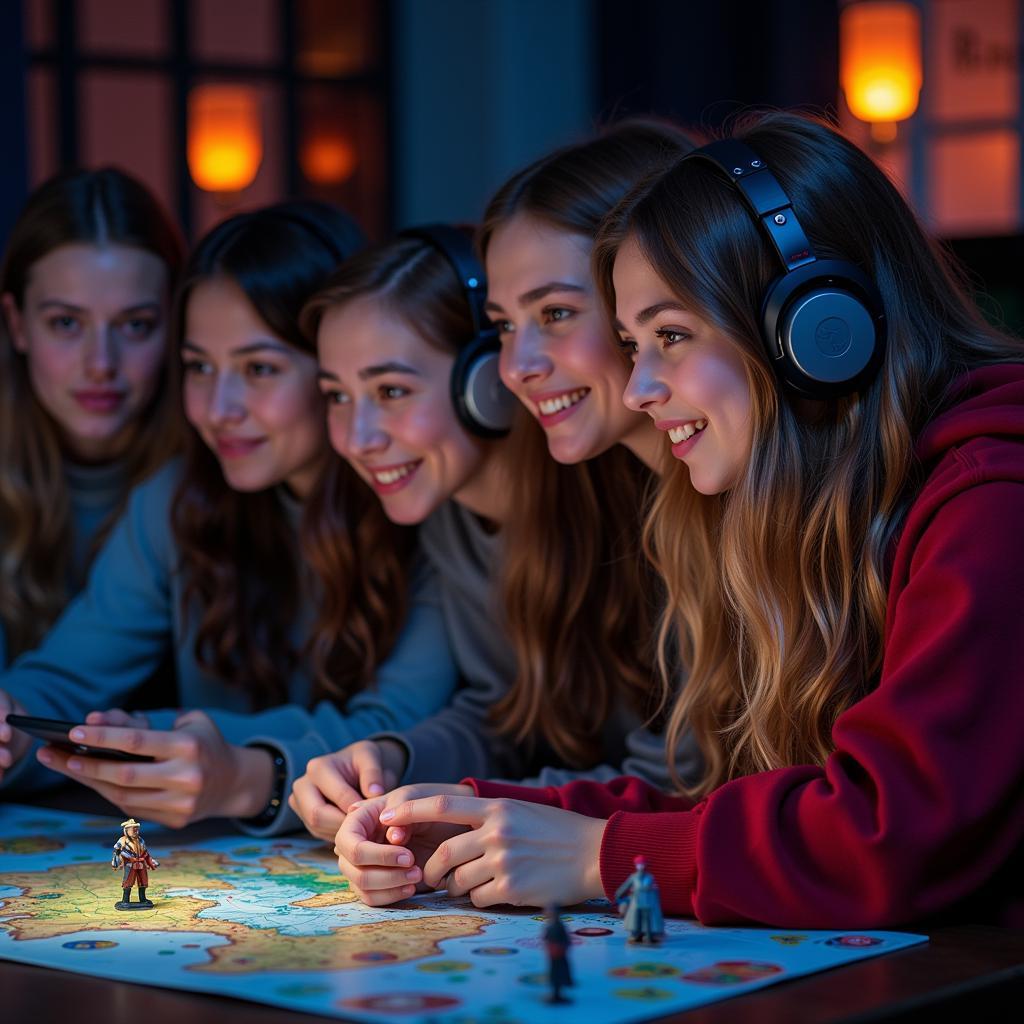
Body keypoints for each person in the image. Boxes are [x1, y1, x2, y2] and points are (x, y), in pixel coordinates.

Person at [330, 112, 1024, 928]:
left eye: (670, 336)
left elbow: (890, 832)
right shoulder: (799, 503)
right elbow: (731, 792)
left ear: (815, 332)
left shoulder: (990, 497)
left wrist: (600, 854)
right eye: (631, 341)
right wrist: (470, 812)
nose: (637, 388)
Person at [291, 122, 701, 849]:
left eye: (556, 314)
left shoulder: (674, 495)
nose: (520, 366)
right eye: (507, 326)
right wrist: (402, 765)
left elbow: (678, 781)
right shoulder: (485, 508)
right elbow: (506, 713)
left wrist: (463, 808)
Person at [0, 202, 456, 835]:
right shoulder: (174, 500)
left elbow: (400, 727)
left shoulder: (421, 497)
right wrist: (15, 727)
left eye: (258, 369)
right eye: (198, 367)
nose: (218, 408)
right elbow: (71, 674)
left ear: (335, 365)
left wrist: (214, 756)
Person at [0, 167, 183, 668]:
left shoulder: (216, 477)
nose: (101, 363)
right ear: (17, 325)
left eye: (136, 325)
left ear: (174, 325)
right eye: (65, 323)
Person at [111, 817, 159, 910]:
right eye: (133, 829)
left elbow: (145, 853)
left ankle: (143, 899)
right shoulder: (122, 840)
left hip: (141, 864)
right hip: (130, 865)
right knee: (128, 882)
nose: (136, 831)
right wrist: (115, 862)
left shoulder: (141, 840)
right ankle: (125, 900)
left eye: (137, 829)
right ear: (127, 830)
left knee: (143, 881)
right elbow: (116, 852)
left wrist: (151, 862)